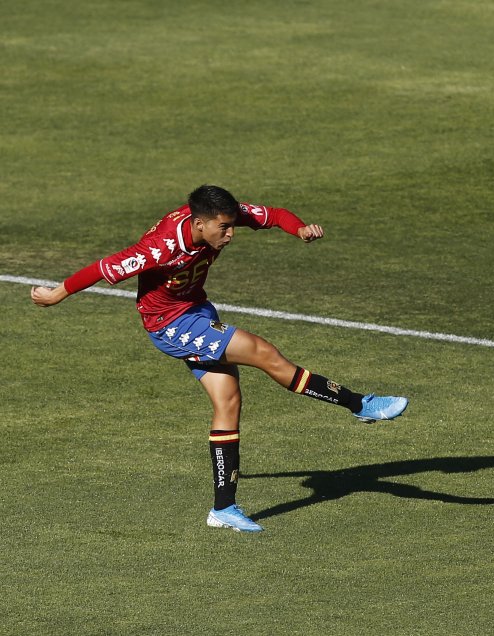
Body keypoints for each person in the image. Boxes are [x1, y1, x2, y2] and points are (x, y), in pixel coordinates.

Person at [31, 185, 409, 533]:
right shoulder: (160, 248)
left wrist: (299, 230)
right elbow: (102, 268)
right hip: (169, 323)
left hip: (197, 310)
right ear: (199, 223)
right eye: (224, 229)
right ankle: (360, 404)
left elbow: (273, 214)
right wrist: (55, 295)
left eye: (232, 226)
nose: (230, 235)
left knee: (228, 401)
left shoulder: (216, 215)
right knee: (262, 352)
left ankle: (223, 509)